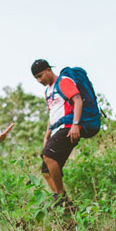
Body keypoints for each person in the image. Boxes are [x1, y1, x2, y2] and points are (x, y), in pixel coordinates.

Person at [31, 59, 84, 210]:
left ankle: (60, 195)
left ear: (48, 69)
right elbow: (52, 114)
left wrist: (75, 124)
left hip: (68, 126)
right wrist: (46, 136)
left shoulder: (63, 81)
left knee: (49, 156)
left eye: (41, 76)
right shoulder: (47, 91)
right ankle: (67, 207)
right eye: (36, 78)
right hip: (55, 129)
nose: (39, 80)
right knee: (46, 171)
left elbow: (78, 100)